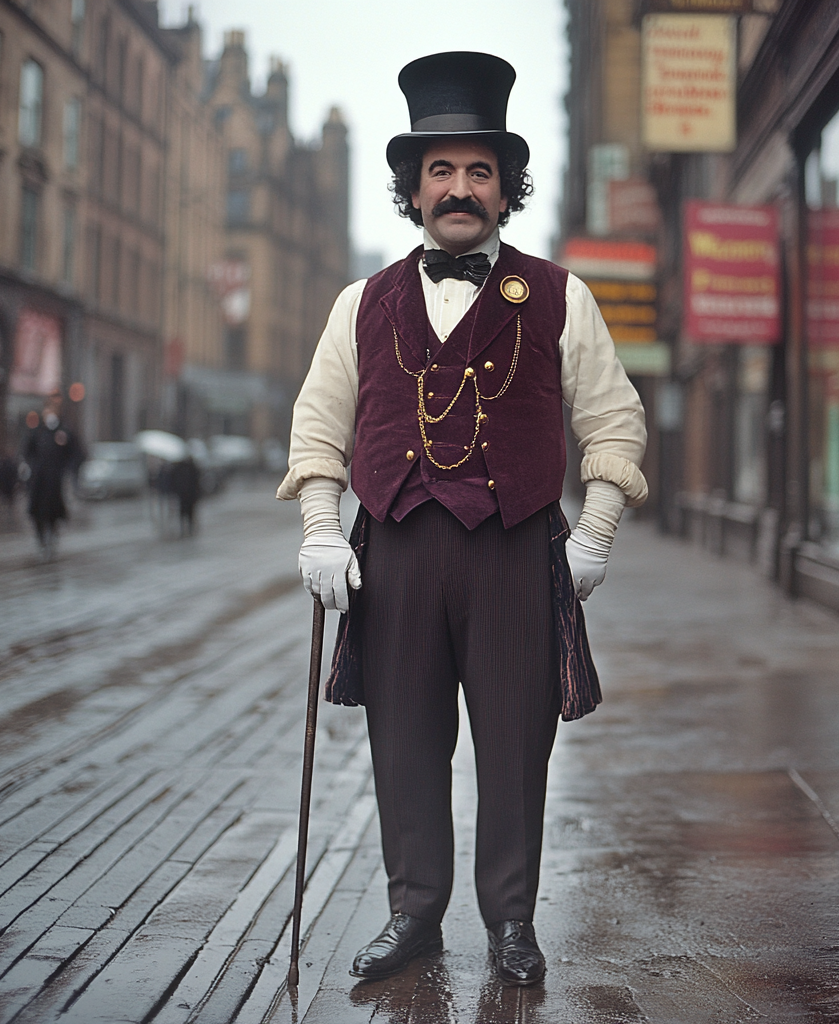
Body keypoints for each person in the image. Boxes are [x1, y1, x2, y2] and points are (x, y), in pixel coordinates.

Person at [279, 51, 647, 987]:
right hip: (394, 550)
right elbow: (319, 427)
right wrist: (322, 528)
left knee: (518, 742)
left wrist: (594, 535)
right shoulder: (360, 302)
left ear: (504, 188)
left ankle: (512, 923)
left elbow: (614, 422)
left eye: (478, 171)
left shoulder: (562, 295)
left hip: (519, 550)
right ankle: (414, 916)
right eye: (440, 170)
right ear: (412, 189)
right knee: (403, 738)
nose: (459, 188)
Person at [22, 392, 80, 560]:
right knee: (37, 513)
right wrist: (31, 467)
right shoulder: (37, 431)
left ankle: (51, 538)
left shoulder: (65, 431)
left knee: (52, 513)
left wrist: (67, 469)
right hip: (38, 480)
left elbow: (75, 453)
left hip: (54, 481)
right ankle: (41, 541)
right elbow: (27, 450)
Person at [169, 454, 200, 537]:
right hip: (186, 495)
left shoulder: (188, 468)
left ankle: (187, 528)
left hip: (186, 495)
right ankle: (187, 528)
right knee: (187, 513)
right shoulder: (186, 468)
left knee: (187, 513)